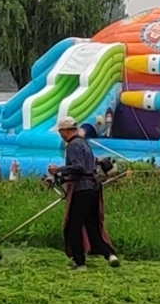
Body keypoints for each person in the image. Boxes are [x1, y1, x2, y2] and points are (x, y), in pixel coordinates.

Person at [48, 116, 119, 271]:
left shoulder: (73, 146)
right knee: (92, 224)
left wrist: (58, 170)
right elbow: (86, 168)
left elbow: (78, 168)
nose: (60, 135)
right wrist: (60, 178)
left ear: (66, 131)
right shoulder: (84, 143)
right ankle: (110, 254)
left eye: (61, 132)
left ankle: (79, 262)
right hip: (93, 188)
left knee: (73, 226)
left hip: (82, 190)